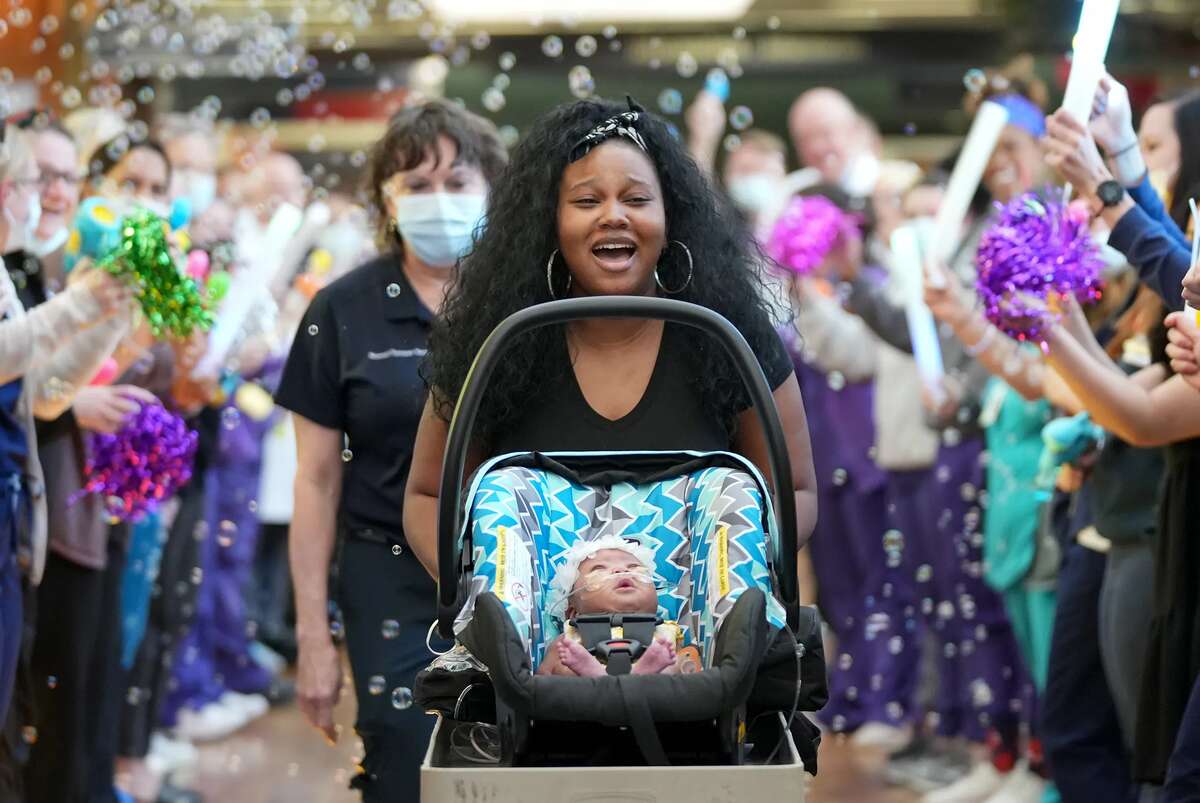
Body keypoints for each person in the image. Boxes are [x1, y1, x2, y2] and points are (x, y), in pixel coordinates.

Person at [404, 94, 818, 613]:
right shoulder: (493, 338)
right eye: (586, 201)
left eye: (637, 199)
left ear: (673, 219)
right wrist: (492, 598)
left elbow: (794, 490)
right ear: (548, 223)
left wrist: (724, 586)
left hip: (701, 650)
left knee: (732, 489)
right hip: (536, 656)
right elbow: (428, 497)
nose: (613, 216)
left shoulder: (729, 335)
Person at [275, 99, 507, 802]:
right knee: (401, 750)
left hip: (517, 567)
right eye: (417, 184)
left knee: (517, 751)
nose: (438, 201)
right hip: (385, 568)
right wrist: (315, 638)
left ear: (494, 191)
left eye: (457, 182)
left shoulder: (524, 303)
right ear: (385, 197)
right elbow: (314, 483)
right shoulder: (342, 310)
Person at [536, 542, 694, 678]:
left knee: (688, 656)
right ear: (573, 613)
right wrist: (564, 672)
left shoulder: (666, 632)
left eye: (635, 568)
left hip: (654, 699)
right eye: (598, 570)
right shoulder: (568, 640)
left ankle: (626, 677)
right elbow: (543, 678)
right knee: (561, 670)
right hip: (587, 699)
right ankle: (604, 676)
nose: (621, 570)